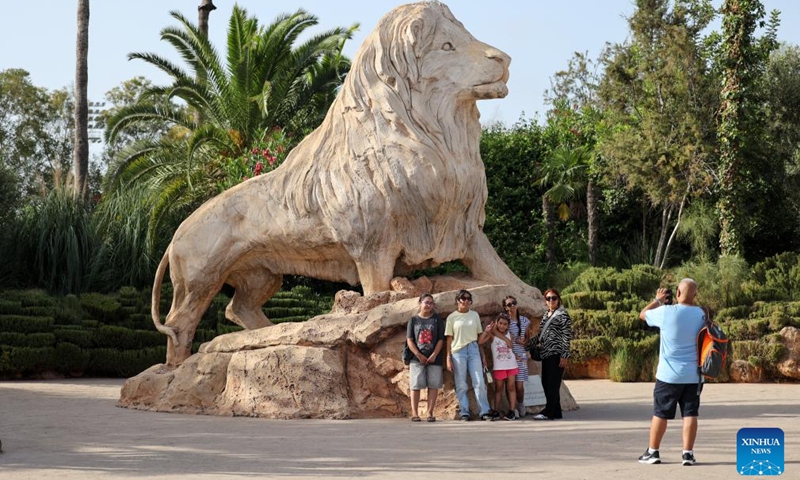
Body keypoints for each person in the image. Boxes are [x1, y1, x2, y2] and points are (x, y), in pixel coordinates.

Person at [637, 278, 706, 466]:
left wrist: (658, 300)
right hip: (694, 375)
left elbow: (643, 314)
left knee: (660, 413)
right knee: (690, 413)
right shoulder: (702, 314)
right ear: (695, 295)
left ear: (677, 293)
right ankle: (688, 454)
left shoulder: (666, 312)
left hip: (668, 375)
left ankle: (653, 452)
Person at [445, 289, 493, 421]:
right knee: (461, 383)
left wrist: (482, 355)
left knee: (479, 381)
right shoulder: (451, 317)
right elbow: (449, 339)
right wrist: (448, 357)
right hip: (458, 351)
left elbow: (479, 337)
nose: (466, 301)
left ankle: (484, 411)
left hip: (473, 348)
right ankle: (464, 411)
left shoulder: (474, 315)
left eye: (468, 299)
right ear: (457, 301)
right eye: (463, 298)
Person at [532, 288, 571, 421]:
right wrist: (526, 343)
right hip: (546, 354)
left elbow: (566, 336)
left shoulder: (563, 315)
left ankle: (548, 412)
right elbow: (541, 336)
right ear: (545, 301)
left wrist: (565, 355)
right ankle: (556, 411)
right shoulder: (546, 315)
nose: (551, 301)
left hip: (557, 354)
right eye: (548, 298)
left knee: (552, 384)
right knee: (547, 382)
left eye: (554, 298)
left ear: (558, 299)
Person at [406, 293, 445, 422]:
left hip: (434, 357)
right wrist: (418, 354)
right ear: (420, 303)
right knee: (415, 385)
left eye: (431, 303)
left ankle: (430, 413)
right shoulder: (413, 320)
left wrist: (434, 354)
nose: (428, 305)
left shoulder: (437, 319)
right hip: (417, 358)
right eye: (426, 302)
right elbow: (410, 340)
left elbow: (441, 339)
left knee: (433, 385)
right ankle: (415, 413)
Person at [479, 313, 519, 420]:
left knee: (511, 387)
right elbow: (480, 341)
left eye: (505, 324)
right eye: (500, 323)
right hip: (499, 366)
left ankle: (512, 411)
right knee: (499, 388)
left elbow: (510, 345)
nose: (502, 326)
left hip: (511, 364)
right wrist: (487, 331)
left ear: (508, 325)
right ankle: (496, 411)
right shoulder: (492, 335)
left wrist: (499, 334)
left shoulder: (510, 334)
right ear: (496, 323)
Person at [504, 295, 531, 417]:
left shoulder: (524, 321)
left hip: (520, 356)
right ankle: (512, 408)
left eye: (514, 303)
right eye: (509, 304)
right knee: (510, 385)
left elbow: (528, 338)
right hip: (508, 355)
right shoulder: (505, 321)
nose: (512, 306)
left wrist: (523, 342)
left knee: (519, 386)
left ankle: (520, 403)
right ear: (505, 307)